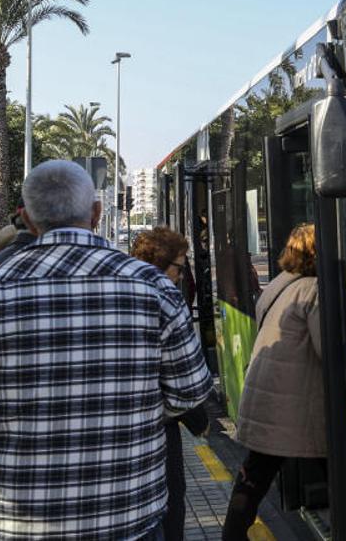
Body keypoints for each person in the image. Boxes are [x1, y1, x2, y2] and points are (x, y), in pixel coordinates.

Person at [0, 160, 212, 541]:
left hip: (10, 525)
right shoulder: (154, 288)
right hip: (127, 519)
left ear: (26, 218)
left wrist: (7, 424)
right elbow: (188, 393)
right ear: (95, 213)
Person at [223, 224, 323, 541]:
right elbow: (329, 350)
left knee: (255, 475)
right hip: (290, 401)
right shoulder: (313, 290)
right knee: (333, 465)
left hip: (266, 395)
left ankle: (232, 535)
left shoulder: (280, 283)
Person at [130, 227, 212, 541]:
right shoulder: (162, 296)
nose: (181, 275)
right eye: (180, 267)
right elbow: (187, 387)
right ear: (162, 263)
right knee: (169, 506)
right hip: (158, 436)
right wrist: (197, 420)